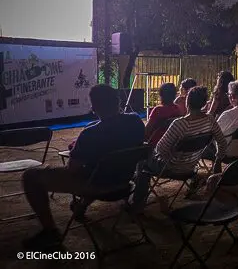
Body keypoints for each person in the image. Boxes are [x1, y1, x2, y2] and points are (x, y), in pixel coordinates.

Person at [21, 85, 145, 249]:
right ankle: (80, 207)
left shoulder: (90, 133)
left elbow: (73, 169)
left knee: (30, 176)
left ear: (94, 107)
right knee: (98, 170)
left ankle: (50, 232)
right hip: (124, 181)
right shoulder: (136, 121)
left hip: (99, 185)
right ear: (118, 101)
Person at [131, 87, 227, 210]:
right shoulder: (210, 120)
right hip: (191, 166)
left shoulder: (180, 123)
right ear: (204, 103)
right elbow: (222, 142)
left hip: (169, 168)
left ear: (187, 101)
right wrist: (218, 161)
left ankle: (138, 204)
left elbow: (160, 150)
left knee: (142, 162)